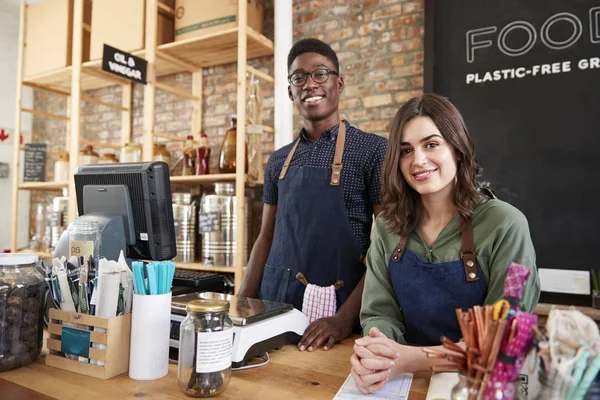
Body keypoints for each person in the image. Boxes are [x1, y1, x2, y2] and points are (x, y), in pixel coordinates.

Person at [350, 93, 540, 393]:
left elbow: (505, 335)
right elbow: (378, 311)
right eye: (405, 150)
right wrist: (379, 350)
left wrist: (411, 359)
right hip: (403, 381)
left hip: (482, 384)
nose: (418, 160)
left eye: (431, 144)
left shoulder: (507, 225)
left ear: (458, 148)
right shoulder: (387, 226)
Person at [238, 38, 388, 352]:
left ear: (339, 83)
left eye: (320, 74)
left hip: (337, 318)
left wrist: (344, 320)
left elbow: (387, 247)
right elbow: (266, 238)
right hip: (274, 310)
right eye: (299, 77)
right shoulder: (277, 161)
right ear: (290, 90)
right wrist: (239, 306)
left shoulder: (372, 151)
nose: (309, 84)